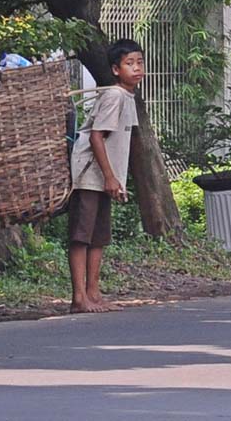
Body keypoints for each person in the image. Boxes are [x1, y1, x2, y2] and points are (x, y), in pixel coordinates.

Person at [67, 39, 144, 313]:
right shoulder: (113, 96)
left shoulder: (127, 96)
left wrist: (118, 179)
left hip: (107, 177)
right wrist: (110, 177)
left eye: (139, 62)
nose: (136, 68)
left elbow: (122, 143)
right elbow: (98, 137)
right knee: (82, 234)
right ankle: (79, 297)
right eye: (129, 63)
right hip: (90, 174)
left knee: (99, 236)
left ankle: (94, 292)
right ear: (115, 69)